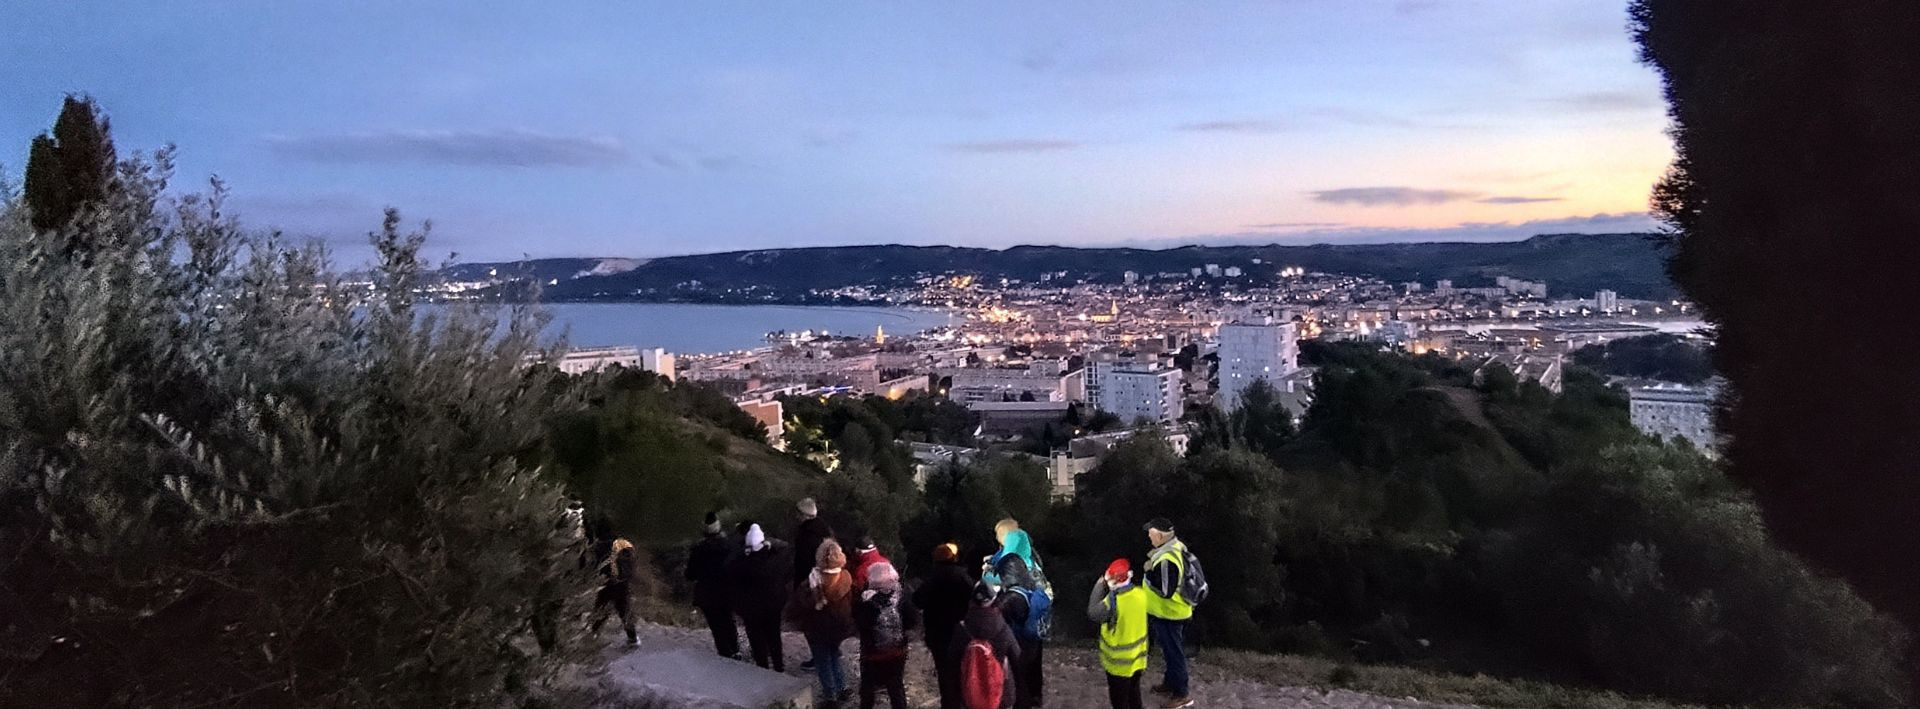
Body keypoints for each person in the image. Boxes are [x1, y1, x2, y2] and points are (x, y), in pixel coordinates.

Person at [794, 538, 856, 705]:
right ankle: (843, 687)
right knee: (835, 656)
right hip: (839, 627)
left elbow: (804, 602)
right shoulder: (846, 577)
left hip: (817, 627)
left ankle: (830, 695)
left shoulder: (813, 580)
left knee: (822, 661)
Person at [914, 543, 975, 709]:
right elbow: (975, 598)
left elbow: (917, 600)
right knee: (963, 670)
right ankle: (965, 702)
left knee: (944, 672)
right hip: (961, 630)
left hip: (937, 632)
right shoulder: (963, 576)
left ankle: (948, 704)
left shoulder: (932, 578)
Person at [853, 562, 919, 709]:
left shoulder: (867, 602)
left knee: (868, 687)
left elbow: (860, 625)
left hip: (872, 653)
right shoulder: (901, 598)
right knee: (896, 686)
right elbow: (912, 621)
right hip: (897, 651)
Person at [1142, 518, 1193, 709]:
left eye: (1151, 532)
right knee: (1170, 651)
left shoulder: (1166, 559)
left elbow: (1165, 590)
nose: (1148, 535)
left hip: (1170, 614)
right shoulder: (1176, 547)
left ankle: (1182, 694)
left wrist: (1148, 573)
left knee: (1174, 653)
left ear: (1161, 535)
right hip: (1173, 612)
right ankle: (1170, 683)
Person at [728, 522, 792, 672]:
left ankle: (762, 668)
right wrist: (771, 545)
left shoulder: (742, 563)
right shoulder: (775, 560)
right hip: (773, 606)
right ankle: (779, 667)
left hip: (751, 609)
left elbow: (729, 567)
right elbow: (786, 551)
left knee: (757, 641)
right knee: (774, 637)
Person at [949, 581, 1021, 709]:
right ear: (994, 601)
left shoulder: (962, 628)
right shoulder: (1003, 629)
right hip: (1001, 696)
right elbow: (1017, 658)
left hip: (969, 695)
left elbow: (952, 662)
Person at [1088, 559, 1148, 709]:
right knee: (1134, 694)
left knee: (1119, 700)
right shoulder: (1141, 595)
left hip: (1118, 664)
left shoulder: (1112, 602)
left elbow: (1093, 613)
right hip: (1138, 659)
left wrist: (1099, 585)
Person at [992, 554, 1047, 708]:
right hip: (1033, 644)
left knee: (1018, 682)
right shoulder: (1031, 590)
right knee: (1028, 678)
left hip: (1018, 645)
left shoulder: (1012, 598)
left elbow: (998, 620)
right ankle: (1034, 700)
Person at [686, 510, 740, 659]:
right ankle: (735, 650)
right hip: (727, 591)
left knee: (716, 625)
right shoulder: (730, 545)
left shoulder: (698, 549)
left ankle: (725, 653)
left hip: (707, 593)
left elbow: (690, 574)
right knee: (728, 620)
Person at [793, 497, 835, 671]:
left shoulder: (806, 535)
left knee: (811, 623)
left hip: (810, 584)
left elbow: (802, 562)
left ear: (804, 515)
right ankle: (832, 650)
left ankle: (819, 657)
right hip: (829, 581)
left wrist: (799, 587)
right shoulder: (825, 530)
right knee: (826, 619)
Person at [590, 535, 640, 646]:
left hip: (606, 583)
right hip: (622, 584)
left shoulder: (599, 546)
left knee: (601, 609)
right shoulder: (623, 544)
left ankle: (593, 636)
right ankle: (632, 638)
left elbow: (593, 564)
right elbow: (632, 564)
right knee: (624, 610)